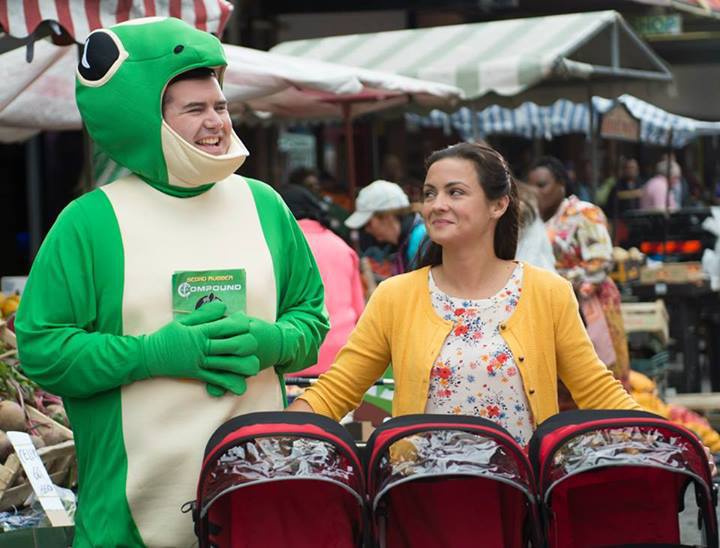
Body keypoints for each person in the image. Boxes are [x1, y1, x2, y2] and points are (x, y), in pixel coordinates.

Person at [14, 18, 328, 547]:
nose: (216, 122)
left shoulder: (265, 205)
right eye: (195, 109)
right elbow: (43, 350)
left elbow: (311, 318)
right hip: (130, 518)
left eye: (221, 106)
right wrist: (152, 355)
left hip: (260, 500)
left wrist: (274, 341)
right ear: (145, 118)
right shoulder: (89, 222)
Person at [289, 142, 640, 447]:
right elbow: (337, 391)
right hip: (421, 500)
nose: (437, 204)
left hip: (518, 501)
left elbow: (598, 391)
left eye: (455, 192)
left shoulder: (548, 293)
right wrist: (272, 432)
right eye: (429, 193)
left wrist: (673, 439)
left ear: (498, 205)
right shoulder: (395, 297)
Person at [527, 156, 630, 389]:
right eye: (531, 185)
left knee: (599, 375)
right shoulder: (534, 220)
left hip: (591, 304)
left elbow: (601, 261)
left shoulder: (584, 213)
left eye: (542, 185)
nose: (535, 192)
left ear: (561, 184)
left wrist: (558, 283)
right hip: (553, 305)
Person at [278, 184, 365, 377]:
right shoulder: (342, 246)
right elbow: (360, 310)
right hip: (342, 360)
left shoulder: (281, 247)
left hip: (295, 357)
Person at [345, 180, 427, 277]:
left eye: (368, 223)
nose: (367, 230)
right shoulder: (404, 244)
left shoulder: (421, 240)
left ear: (387, 216)